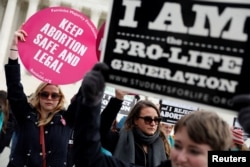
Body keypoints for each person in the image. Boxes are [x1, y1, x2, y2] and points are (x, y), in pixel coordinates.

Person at [72, 66, 233, 167]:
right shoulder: (120, 138)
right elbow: (89, 158)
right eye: (177, 145)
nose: (181, 157)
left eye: (194, 151)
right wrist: (90, 103)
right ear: (135, 120)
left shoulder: (162, 143)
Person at [4, 28, 80, 166]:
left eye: (54, 95)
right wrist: (14, 48)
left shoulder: (67, 119)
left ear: (60, 97)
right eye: (44, 94)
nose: (49, 98)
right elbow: (14, 86)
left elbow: (84, 96)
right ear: (38, 96)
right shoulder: (25, 114)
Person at [101, 98, 167, 167]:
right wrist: (117, 99)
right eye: (148, 119)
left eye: (156, 119)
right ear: (135, 120)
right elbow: (99, 132)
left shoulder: (162, 143)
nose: (153, 123)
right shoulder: (119, 139)